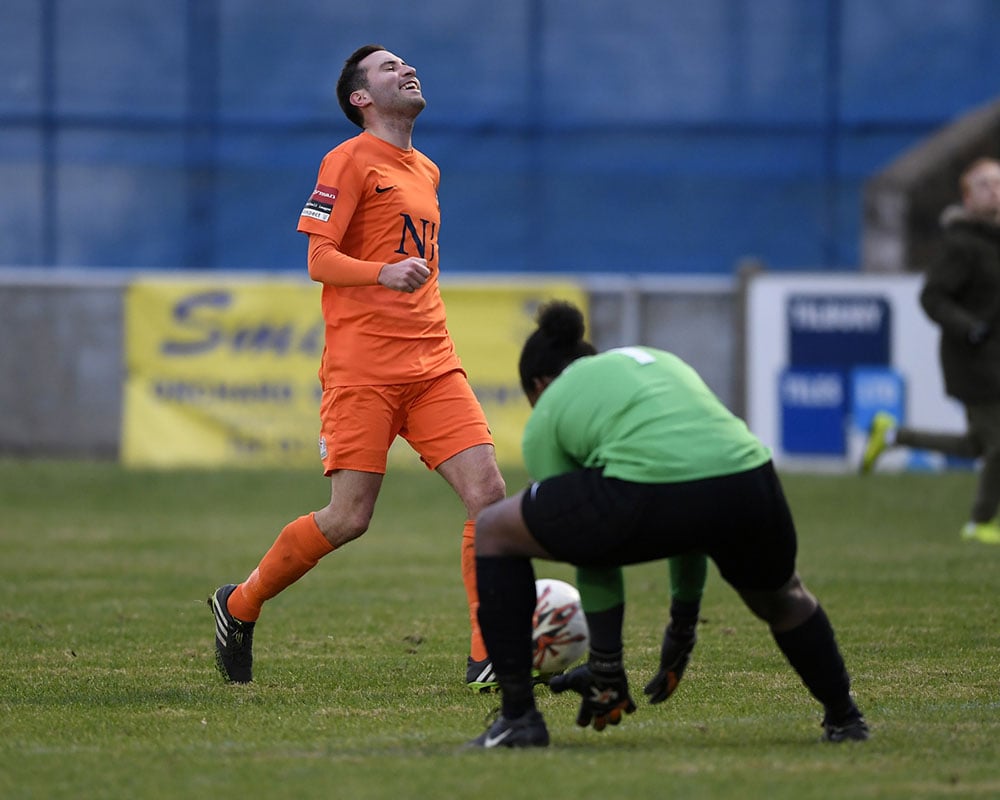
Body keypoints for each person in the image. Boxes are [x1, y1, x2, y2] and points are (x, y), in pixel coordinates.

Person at [209, 44, 507, 689]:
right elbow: (319, 259)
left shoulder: (425, 168)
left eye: (407, 63)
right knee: (348, 518)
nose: (406, 69)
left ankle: (488, 655)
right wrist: (381, 273)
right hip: (361, 372)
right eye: (387, 67)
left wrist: (410, 290)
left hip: (433, 366)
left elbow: (416, 260)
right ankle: (240, 604)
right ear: (360, 98)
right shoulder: (344, 162)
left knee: (488, 496)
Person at [466, 301, 869, 748]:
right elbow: (692, 500)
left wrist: (606, 665)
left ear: (538, 385)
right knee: (783, 596)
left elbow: (585, 544)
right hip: (749, 477)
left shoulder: (549, 409)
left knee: (495, 529)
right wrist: (682, 624)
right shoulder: (658, 362)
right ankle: (845, 717)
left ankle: (519, 718)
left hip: (647, 490)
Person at [861, 157, 1000, 546]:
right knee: (999, 444)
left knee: (979, 444)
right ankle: (979, 523)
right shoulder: (960, 244)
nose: (994, 189)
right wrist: (968, 327)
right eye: (984, 184)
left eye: (998, 182)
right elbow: (932, 296)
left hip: (995, 358)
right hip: (973, 360)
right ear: (967, 196)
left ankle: (891, 435)